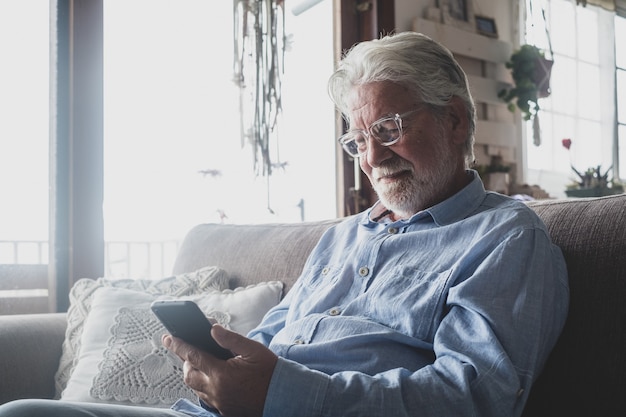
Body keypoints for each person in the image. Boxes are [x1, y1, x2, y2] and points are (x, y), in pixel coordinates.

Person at [0, 31, 568, 417]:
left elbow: (474, 397)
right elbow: (266, 342)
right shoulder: (343, 238)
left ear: (456, 119)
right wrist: (220, 372)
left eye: (389, 129)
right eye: (357, 140)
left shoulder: (505, 237)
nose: (372, 159)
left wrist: (285, 393)